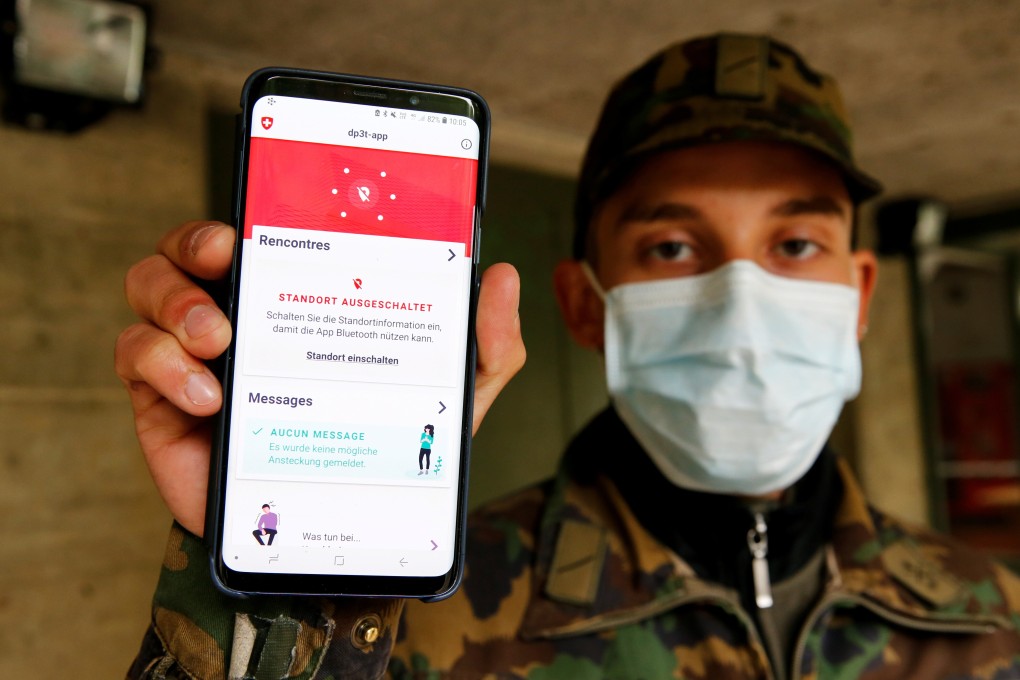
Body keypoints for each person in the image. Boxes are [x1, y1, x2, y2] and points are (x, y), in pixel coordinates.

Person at [118, 34, 1020, 679]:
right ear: (586, 303)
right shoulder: (409, 622)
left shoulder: (997, 617)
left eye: (794, 246)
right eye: (672, 246)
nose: (742, 301)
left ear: (859, 293)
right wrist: (268, 600)